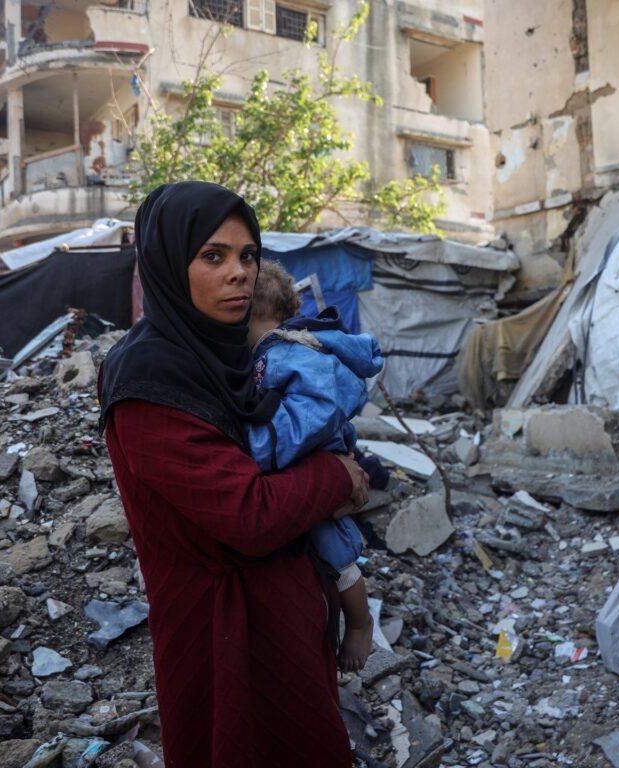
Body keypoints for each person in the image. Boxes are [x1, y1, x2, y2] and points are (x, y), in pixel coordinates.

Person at [98, 181, 368, 768]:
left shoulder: (228, 353)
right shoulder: (150, 378)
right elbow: (247, 515)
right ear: (170, 265)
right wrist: (338, 477)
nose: (239, 273)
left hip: (282, 612)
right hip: (222, 630)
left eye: (247, 256)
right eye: (213, 256)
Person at [246, 260, 382, 673]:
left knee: (333, 549)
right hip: (305, 457)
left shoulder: (289, 352)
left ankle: (360, 622)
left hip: (315, 453)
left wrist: (264, 448)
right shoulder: (275, 350)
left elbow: (316, 410)